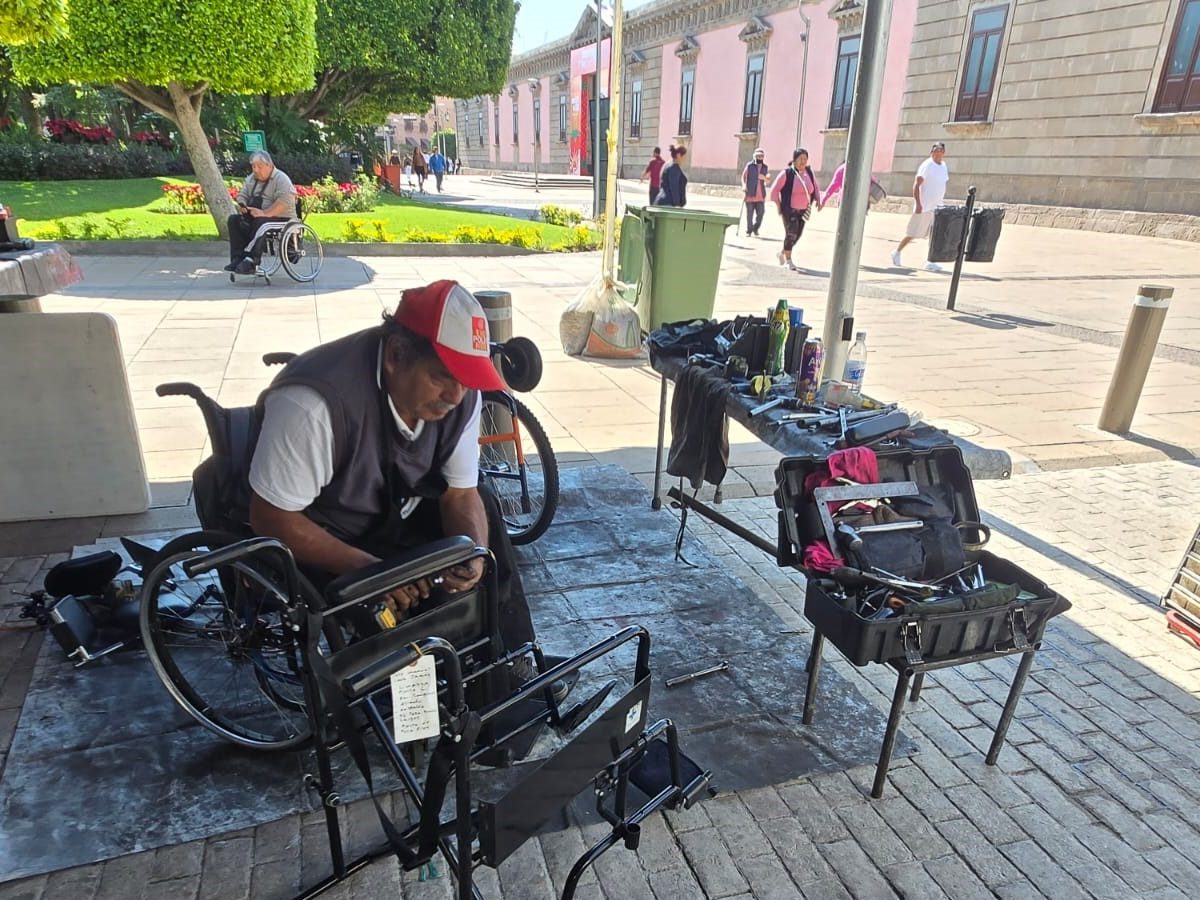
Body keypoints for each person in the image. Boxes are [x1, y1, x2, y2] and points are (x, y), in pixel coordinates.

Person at [247, 280, 561, 694]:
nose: (456, 394)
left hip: (395, 509)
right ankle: (434, 696)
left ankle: (510, 660)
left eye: (467, 379)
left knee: (482, 520)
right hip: (325, 533)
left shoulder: (461, 396)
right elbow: (270, 516)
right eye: (442, 377)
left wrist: (472, 556)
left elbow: (461, 494)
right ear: (396, 355)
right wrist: (372, 572)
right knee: (403, 601)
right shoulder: (314, 406)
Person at [225, 151, 297, 276]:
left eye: (259, 167)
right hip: (256, 215)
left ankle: (251, 260)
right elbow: (242, 195)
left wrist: (265, 213)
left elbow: (284, 202)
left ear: (269, 165)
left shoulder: (281, 178)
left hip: (281, 218)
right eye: (253, 167)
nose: (256, 170)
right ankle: (237, 258)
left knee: (261, 223)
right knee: (233, 220)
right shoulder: (251, 179)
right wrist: (242, 205)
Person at [892, 141, 949, 272]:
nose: (938, 153)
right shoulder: (927, 165)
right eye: (935, 150)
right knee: (913, 233)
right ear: (932, 152)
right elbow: (917, 185)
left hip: (937, 207)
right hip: (924, 206)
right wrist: (918, 204)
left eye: (940, 151)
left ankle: (930, 261)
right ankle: (897, 252)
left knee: (934, 235)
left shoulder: (944, 166)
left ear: (943, 153)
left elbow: (941, 184)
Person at [768, 148, 822, 272]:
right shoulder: (787, 173)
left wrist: (819, 200)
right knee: (791, 233)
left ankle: (783, 252)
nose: (803, 162)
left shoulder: (809, 172)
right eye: (800, 159)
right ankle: (788, 260)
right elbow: (774, 192)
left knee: (797, 235)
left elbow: (816, 188)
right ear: (794, 159)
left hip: (803, 210)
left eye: (805, 159)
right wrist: (778, 206)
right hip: (789, 210)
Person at [741, 148, 769, 237]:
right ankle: (749, 230)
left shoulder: (765, 167)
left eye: (761, 156)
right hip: (750, 193)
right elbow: (743, 177)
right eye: (758, 156)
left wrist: (765, 178)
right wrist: (744, 186)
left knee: (761, 213)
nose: (760, 158)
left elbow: (767, 180)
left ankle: (755, 228)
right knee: (749, 214)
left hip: (761, 195)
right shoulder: (749, 166)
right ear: (755, 156)